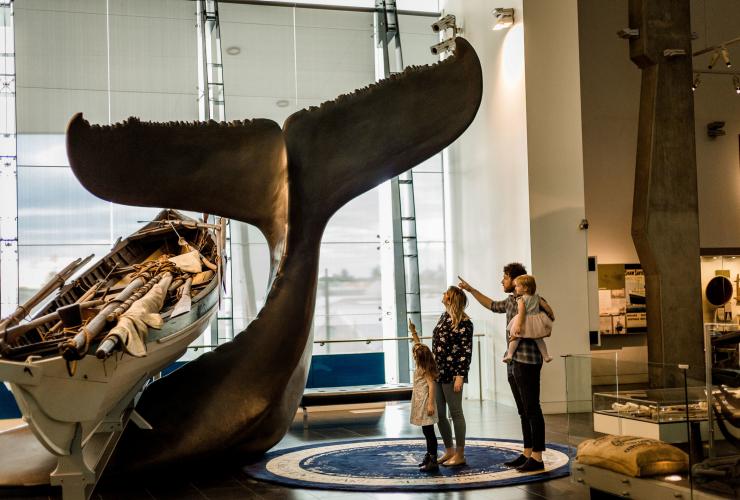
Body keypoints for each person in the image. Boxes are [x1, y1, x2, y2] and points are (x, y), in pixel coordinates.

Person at [458, 264, 553, 472]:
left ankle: (537, 457)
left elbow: (550, 319)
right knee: (522, 410)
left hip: (528, 360)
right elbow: (491, 305)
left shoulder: (535, 300)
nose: (502, 281)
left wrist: (533, 325)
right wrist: (471, 290)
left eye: (505, 277)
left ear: (518, 282)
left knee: (532, 407)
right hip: (513, 361)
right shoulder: (511, 301)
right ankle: (528, 452)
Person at [410, 286, 473, 467]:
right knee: (441, 415)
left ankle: (460, 454)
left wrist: (460, 375)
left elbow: (465, 351)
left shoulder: (465, 322)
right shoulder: (444, 316)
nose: (443, 294)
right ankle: (449, 450)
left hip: (453, 374)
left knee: (456, 413)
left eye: (446, 292)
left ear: (451, 298)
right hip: (438, 372)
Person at [408, 323, 440, 472]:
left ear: (419, 358)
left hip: (426, 402)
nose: (413, 356)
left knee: (429, 432)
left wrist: (430, 404)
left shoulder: (425, 368)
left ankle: (433, 459)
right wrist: (413, 332)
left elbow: (432, 385)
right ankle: (429, 455)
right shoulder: (422, 360)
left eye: (415, 355)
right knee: (426, 431)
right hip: (420, 401)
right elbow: (418, 345)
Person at [503, 274, 554, 364]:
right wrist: (551, 314)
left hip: (524, 320)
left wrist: (518, 325)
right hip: (536, 320)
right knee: (539, 339)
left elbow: (522, 312)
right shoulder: (537, 298)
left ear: (525, 288)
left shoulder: (521, 299)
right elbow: (546, 307)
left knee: (516, 338)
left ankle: (510, 354)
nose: (516, 288)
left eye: (518, 286)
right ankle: (546, 356)